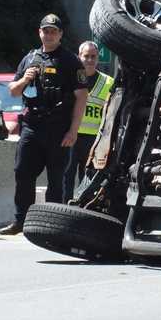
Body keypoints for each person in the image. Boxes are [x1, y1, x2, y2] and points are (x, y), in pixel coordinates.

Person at [0, 14, 88, 235]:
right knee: (23, 172)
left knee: (56, 178)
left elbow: (81, 96)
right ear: (40, 32)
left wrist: (73, 130)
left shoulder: (70, 61)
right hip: (32, 125)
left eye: (53, 31)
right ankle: (21, 220)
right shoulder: (30, 58)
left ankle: (51, 224)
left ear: (60, 34)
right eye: (45, 31)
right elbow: (13, 91)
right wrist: (25, 79)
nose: (49, 35)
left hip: (58, 127)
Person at [62, 41, 114, 201]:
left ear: (98, 58)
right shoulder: (69, 78)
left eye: (93, 56)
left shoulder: (108, 82)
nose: (90, 60)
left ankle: (83, 208)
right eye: (86, 56)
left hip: (94, 140)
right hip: (71, 136)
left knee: (88, 177)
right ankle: (64, 208)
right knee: (67, 175)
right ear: (79, 57)